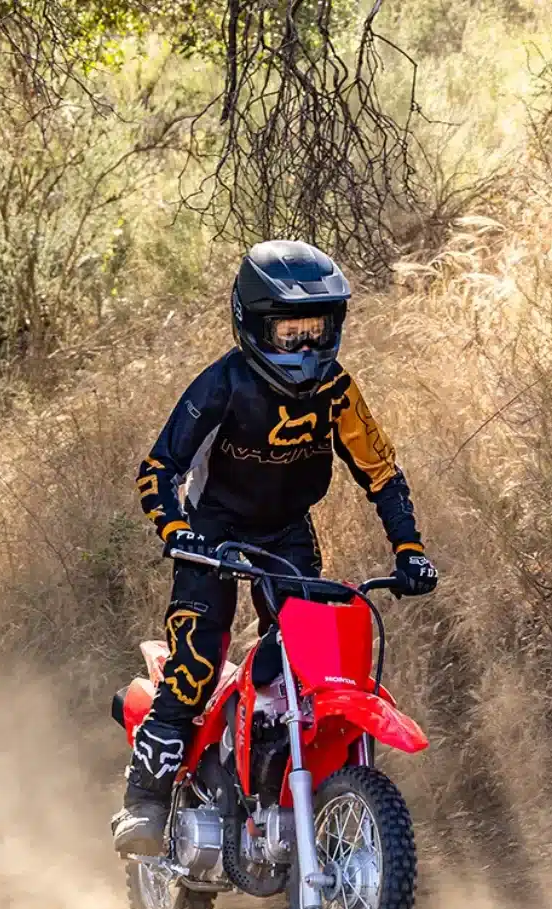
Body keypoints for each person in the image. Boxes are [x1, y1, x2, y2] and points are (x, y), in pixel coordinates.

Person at [110, 240, 440, 855]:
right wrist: (178, 533)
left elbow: (383, 472)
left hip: (287, 531)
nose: (306, 347)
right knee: (198, 660)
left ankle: (279, 788)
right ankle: (145, 801)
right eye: (290, 332)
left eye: (317, 330)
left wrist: (410, 548)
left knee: (306, 666)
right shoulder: (222, 386)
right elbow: (158, 469)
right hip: (213, 532)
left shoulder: (339, 391)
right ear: (254, 324)